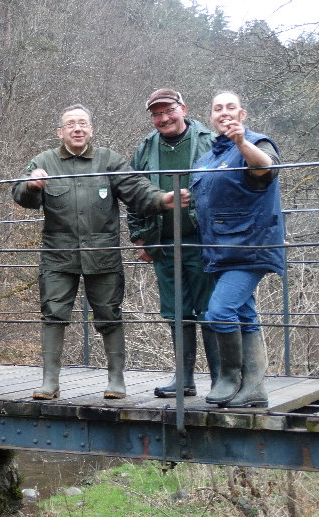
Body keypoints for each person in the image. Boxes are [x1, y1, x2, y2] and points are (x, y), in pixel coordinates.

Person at [12, 104, 189, 401]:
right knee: (53, 315)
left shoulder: (109, 160)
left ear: (91, 129)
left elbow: (136, 190)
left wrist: (162, 200)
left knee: (109, 315)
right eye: (71, 124)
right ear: (60, 132)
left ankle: (116, 380)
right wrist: (31, 185)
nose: (77, 128)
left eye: (82, 123)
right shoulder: (44, 162)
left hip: (102, 253)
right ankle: (49, 382)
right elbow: (20, 196)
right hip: (58, 255)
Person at [191, 91, 284, 408]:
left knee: (219, 311)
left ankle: (230, 376)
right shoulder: (208, 158)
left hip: (250, 249)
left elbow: (266, 169)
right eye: (218, 108)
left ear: (242, 114)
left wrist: (242, 143)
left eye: (231, 107)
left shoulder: (256, 144)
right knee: (244, 314)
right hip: (219, 253)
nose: (224, 113)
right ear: (211, 116)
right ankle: (254, 388)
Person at [128, 89, 219, 397]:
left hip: (204, 239)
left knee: (210, 310)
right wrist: (139, 237)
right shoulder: (145, 149)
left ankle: (222, 381)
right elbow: (133, 194)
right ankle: (184, 380)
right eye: (157, 114)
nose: (163, 118)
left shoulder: (209, 140)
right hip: (163, 242)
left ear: (183, 108)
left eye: (169, 111)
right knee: (176, 311)